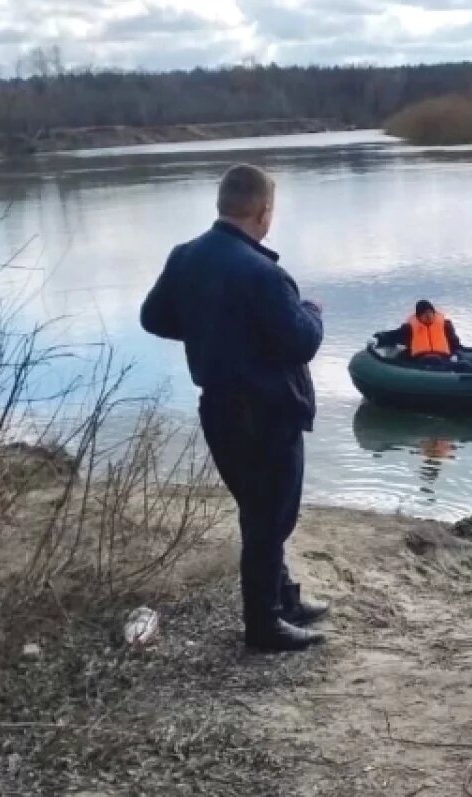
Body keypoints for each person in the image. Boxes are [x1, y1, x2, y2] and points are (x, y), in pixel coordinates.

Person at [140, 164, 330, 653]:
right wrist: (312, 310)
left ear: (222, 205)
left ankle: (282, 599)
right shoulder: (265, 274)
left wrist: (212, 330)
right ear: (263, 213)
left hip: (220, 413)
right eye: (272, 210)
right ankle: (264, 627)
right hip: (266, 413)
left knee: (259, 509)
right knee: (270, 518)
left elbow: (153, 317)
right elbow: (301, 341)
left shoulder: (185, 257)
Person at [374, 300, 464, 360]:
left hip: (443, 357)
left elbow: (454, 343)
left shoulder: (445, 325)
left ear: (434, 313)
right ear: (418, 316)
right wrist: (380, 337)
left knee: (461, 363)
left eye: (430, 313)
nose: (428, 316)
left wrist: (456, 354)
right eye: (424, 314)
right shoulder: (409, 328)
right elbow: (393, 336)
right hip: (420, 360)